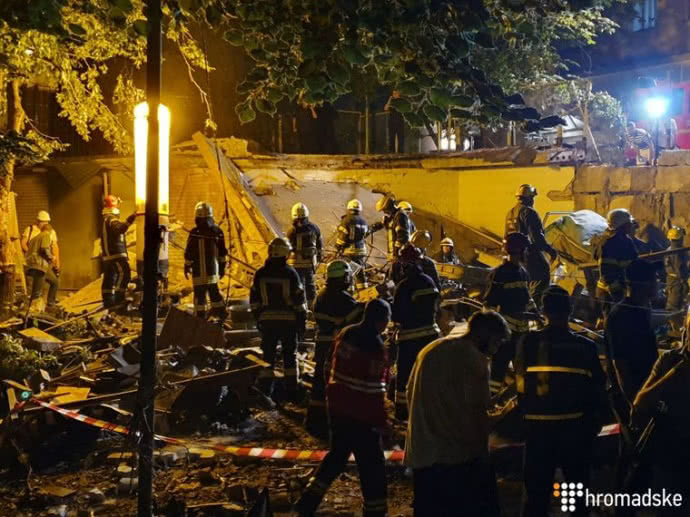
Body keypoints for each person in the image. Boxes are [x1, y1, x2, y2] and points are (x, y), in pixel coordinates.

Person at [405, 310, 510, 517]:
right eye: (497, 342)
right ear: (484, 335)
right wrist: (503, 416)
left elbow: (410, 392)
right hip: (455, 458)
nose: (496, 349)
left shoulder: (431, 349)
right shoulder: (474, 359)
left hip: (422, 453)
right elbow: (476, 413)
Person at [516, 286, 607, 517]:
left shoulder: (528, 342)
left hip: (537, 432)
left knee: (536, 497)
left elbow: (521, 385)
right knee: (577, 496)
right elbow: (598, 390)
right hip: (574, 432)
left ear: (544, 311)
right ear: (570, 310)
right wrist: (593, 426)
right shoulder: (586, 347)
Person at [296, 299, 392, 517]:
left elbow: (327, 366)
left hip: (337, 409)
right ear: (382, 320)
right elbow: (374, 393)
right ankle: (375, 511)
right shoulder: (375, 347)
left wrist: (333, 394)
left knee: (336, 457)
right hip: (362, 418)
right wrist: (382, 423)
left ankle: (307, 502)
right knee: (372, 467)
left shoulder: (346, 334)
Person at [632, 325, 690, 516]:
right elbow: (641, 402)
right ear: (685, 332)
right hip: (671, 451)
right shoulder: (670, 360)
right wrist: (675, 373)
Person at [306, 260, 363, 438]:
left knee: (319, 381)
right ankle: (340, 422)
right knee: (340, 382)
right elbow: (353, 319)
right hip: (337, 345)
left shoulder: (321, 295)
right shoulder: (343, 298)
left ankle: (315, 420)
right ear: (343, 277)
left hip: (322, 343)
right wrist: (363, 307)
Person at [250, 237, 307, 401]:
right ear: (285, 253)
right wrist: (301, 323)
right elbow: (299, 302)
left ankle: (265, 390)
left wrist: (259, 319)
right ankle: (291, 391)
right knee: (290, 356)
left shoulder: (260, 273)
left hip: (267, 322)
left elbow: (254, 300)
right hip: (288, 322)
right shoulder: (291, 273)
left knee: (268, 356)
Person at [483, 232, 536, 396]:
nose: (526, 253)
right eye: (525, 250)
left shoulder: (523, 272)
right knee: (499, 367)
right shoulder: (499, 273)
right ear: (518, 251)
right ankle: (491, 400)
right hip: (506, 331)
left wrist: (536, 313)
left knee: (522, 370)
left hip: (522, 331)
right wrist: (492, 331)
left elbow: (528, 298)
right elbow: (489, 304)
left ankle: (519, 401)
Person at [392, 244, 440, 420]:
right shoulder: (429, 281)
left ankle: (402, 410)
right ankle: (428, 408)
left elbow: (397, 315)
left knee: (404, 374)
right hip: (431, 335)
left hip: (410, 338)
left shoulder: (404, 286)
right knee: (428, 373)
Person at [505, 184, 557, 307]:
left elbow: (506, 237)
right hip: (529, 255)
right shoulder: (529, 212)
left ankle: (522, 306)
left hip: (515, 257)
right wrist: (551, 251)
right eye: (533, 198)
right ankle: (533, 309)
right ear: (529, 198)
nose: (533, 200)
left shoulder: (510, 213)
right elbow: (537, 238)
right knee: (542, 277)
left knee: (525, 282)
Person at [184, 202, 228, 320]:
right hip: (212, 271)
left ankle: (200, 319)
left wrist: (187, 266)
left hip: (199, 272)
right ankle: (220, 316)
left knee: (200, 297)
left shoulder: (194, 232)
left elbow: (189, 252)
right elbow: (222, 253)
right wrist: (222, 267)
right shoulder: (217, 231)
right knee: (214, 294)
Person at [596, 208, 639, 319]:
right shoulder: (610, 243)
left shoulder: (627, 241)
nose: (631, 225)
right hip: (609, 292)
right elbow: (607, 272)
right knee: (612, 320)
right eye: (629, 223)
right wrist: (617, 295)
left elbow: (633, 264)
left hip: (622, 289)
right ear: (622, 225)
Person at [100, 195, 135, 307]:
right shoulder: (111, 219)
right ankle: (119, 299)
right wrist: (131, 219)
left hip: (109, 255)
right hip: (116, 254)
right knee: (125, 274)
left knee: (110, 278)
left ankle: (108, 301)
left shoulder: (106, 219)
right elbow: (120, 229)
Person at [286, 202, 322, 306]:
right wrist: (318, 258)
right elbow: (319, 245)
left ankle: (299, 307)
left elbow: (287, 248)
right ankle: (312, 307)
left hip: (295, 264)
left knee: (298, 287)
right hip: (309, 264)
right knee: (310, 286)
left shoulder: (292, 231)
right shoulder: (314, 228)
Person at [24, 220, 59, 310]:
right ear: (49, 231)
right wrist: (51, 257)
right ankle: (36, 310)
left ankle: (50, 304)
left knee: (54, 282)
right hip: (40, 266)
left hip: (32, 266)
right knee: (37, 292)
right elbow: (44, 248)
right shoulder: (46, 235)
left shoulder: (34, 239)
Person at [336, 199, 369, 290]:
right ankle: (364, 292)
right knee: (360, 272)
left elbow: (342, 237)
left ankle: (349, 292)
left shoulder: (346, 220)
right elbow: (365, 234)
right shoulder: (364, 221)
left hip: (350, 251)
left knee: (348, 272)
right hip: (361, 251)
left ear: (349, 208)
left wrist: (338, 247)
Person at [370, 194, 412, 261]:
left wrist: (396, 252)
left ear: (388, 207)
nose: (384, 212)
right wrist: (370, 229)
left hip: (400, 255)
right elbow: (382, 225)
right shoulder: (393, 217)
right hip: (393, 254)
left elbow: (403, 236)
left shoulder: (400, 215)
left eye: (384, 210)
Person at [664, 226, 688, 333]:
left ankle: (674, 328)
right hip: (677, 282)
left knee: (674, 304)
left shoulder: (669, 250)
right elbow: (679, 269)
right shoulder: (678, 251)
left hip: (671, 280)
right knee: (674, 305)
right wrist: (684, 281)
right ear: (679, 238)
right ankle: (675, 330)